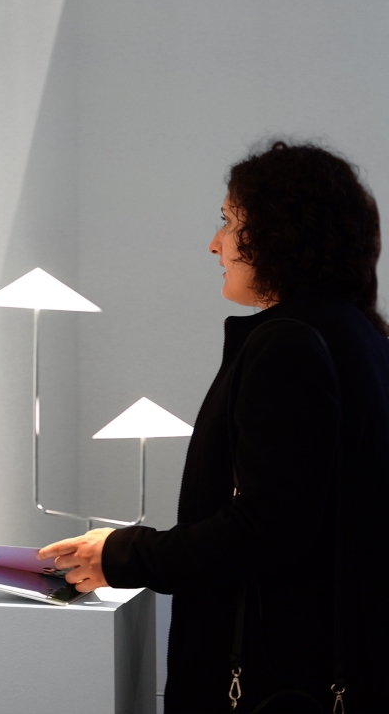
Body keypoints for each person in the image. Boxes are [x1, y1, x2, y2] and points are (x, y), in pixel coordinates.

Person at [38, 140, 389, 713]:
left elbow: (268, 530)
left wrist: (122, 554)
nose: (215, 243)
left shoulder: (290, 345)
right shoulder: (362, 337)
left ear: (280, 232)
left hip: (276, 679)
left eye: (229, 220)